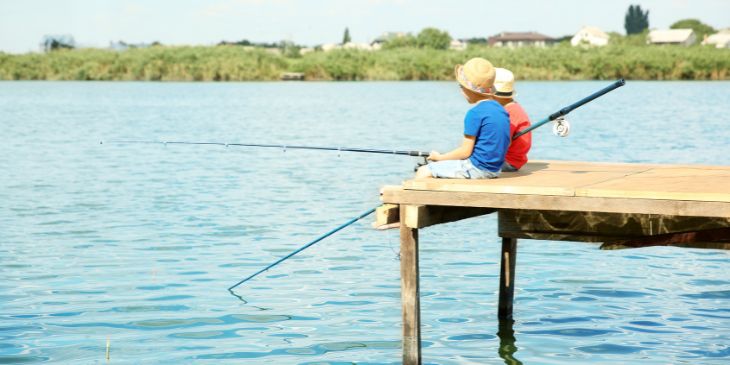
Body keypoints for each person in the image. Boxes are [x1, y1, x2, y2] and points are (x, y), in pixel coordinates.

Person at [415, 57, 510, 179]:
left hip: (477, 169)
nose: (460, 91)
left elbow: (465, 152)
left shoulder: (475, 113)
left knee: (424, 171)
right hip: (495, 170)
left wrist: (439, 158)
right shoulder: (501, 110)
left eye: (461, 86)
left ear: (469, 90)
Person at [493, 68, 532, 172]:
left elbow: (503, 142)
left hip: (508, 162)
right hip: (512, 160)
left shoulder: (509, 113)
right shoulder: (511, 108)